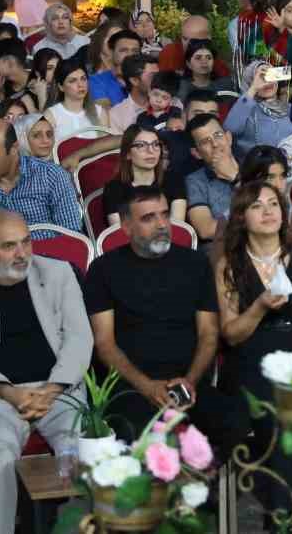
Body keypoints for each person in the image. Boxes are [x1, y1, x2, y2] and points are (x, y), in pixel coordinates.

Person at [0, 210, 94, 534]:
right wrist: (10, 392)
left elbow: (80, 338)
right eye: (9, 246)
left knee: (79, 447)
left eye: (26, 242)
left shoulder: (58, 273)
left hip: (59, 391)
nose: (22, 253)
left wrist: (51, 390)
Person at [84, 186, 250, 451]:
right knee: (136, 434)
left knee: (234, 422)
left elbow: (209, 334)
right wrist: (147, 387)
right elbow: (104, 343)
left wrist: (190, 382)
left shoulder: (196, 264)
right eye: (148, 218)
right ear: (126, 227)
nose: (162, 224)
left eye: (164, 215)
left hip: (188, 382)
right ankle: (159, 490)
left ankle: (201, 488)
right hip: (132, 387)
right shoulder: (103, 270)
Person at [216, 179, 292, 514]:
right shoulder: (229, 265)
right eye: (257, 206)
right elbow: (231, 334)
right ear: (241, 217)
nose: (268, 211)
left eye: (273, 204)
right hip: (250, 362)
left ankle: (287, 513)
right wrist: (260, 306)